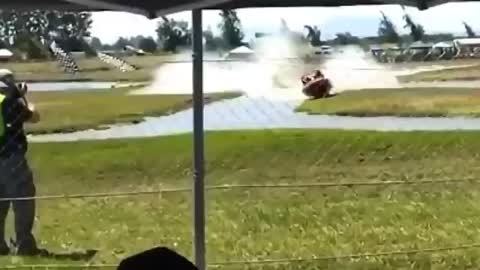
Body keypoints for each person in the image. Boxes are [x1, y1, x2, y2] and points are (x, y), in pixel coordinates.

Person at [0, 69, 42, 256]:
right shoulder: (9, 103)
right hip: (11, 159)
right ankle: (24, 245)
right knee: (23, 199)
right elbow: (34, 117)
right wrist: (27, 101)